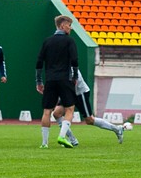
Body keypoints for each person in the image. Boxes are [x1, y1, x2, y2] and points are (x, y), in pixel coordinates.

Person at [35, 14, 79, 148]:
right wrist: (75, 76)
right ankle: (62, 135)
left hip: (50, 80)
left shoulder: (47, 41)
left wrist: (38, 81)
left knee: (47, 111)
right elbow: (74, 60)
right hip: (64, 79)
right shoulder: (69, 41)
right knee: (70, 108)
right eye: (69, 25)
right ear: (62, 25)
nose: (70, 28)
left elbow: (39, 62)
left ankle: (44, 143)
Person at [52, 71, 124, 146]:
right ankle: (72, 139)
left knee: (89, 120)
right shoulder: (58, 66)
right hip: (68, 93)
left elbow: (73, 82)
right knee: (57, 114)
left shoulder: (70, 66)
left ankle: (117, 129)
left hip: (80, 93)